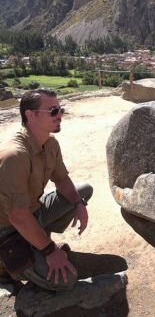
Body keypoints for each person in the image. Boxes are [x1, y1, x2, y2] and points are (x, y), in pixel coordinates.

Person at [0, 88, 93, 291]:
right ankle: (5, 267)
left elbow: (62, 179)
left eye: (60, 109)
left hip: (33, 212)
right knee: (66, 280)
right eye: (52, 111)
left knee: (83, 190)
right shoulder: (14, 156)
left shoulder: (50, 143)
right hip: (8, 229)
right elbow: (17, 216)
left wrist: (79, 204)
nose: (59, 115)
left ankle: (39, 241)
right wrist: (51, 251)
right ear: (30, 115)